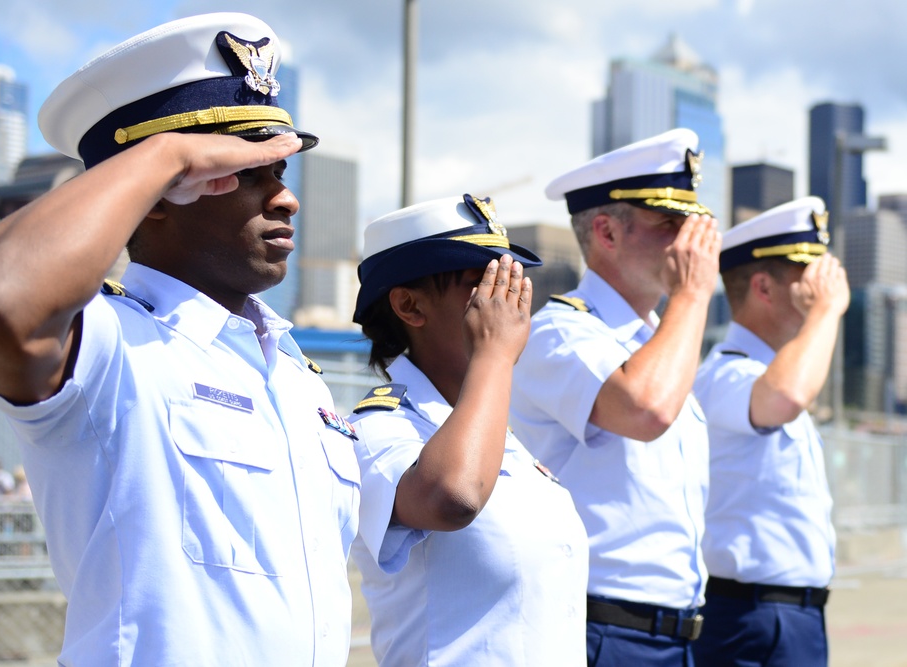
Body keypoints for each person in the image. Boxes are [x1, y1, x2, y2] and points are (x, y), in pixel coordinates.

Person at [0, 13, 360, 666]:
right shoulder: (110, 343)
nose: (286, 201)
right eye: (245, 171)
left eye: (279, 173)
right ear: (163, 195)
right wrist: (168, 152)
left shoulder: (294, 372)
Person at [510, 128, 721, 666]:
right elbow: (646, 408)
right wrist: (694, 295)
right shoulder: (562, 329)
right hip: (604, 629)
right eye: (670, 225)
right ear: (606, 231)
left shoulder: (658, 340)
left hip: (675, 631)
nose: (689, 243)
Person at [349, 194, 589, 666]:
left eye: (511, 281)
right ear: (409, 305)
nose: (507, 303)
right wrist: (495, 355)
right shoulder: (380, 429)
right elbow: (452, 496)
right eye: (483, 285)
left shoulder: (506, 436)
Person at [691, 197, 846, 667]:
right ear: (762, 286)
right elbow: (786, 397)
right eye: (809, 280)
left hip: (792, 617)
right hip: (748, 619)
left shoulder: (769, 373)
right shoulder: (724, 374)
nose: (822, 291)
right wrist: (827, 312)